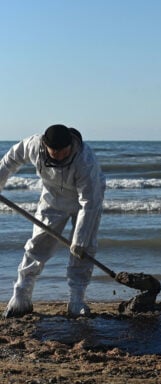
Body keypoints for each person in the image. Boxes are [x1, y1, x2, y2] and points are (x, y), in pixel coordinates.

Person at [0, 124, 106, 318]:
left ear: (70, 146)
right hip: (53, 199)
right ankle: (21, 295)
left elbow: (89, 204)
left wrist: (79, 241)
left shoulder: (85, 161)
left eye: (63, 152)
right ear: (45, 145)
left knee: (83, 250)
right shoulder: (33, 145)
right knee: (37, 245)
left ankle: (77, 300)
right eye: (54, 152)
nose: (59, 156)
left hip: (86, 202)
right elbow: (11, 160)